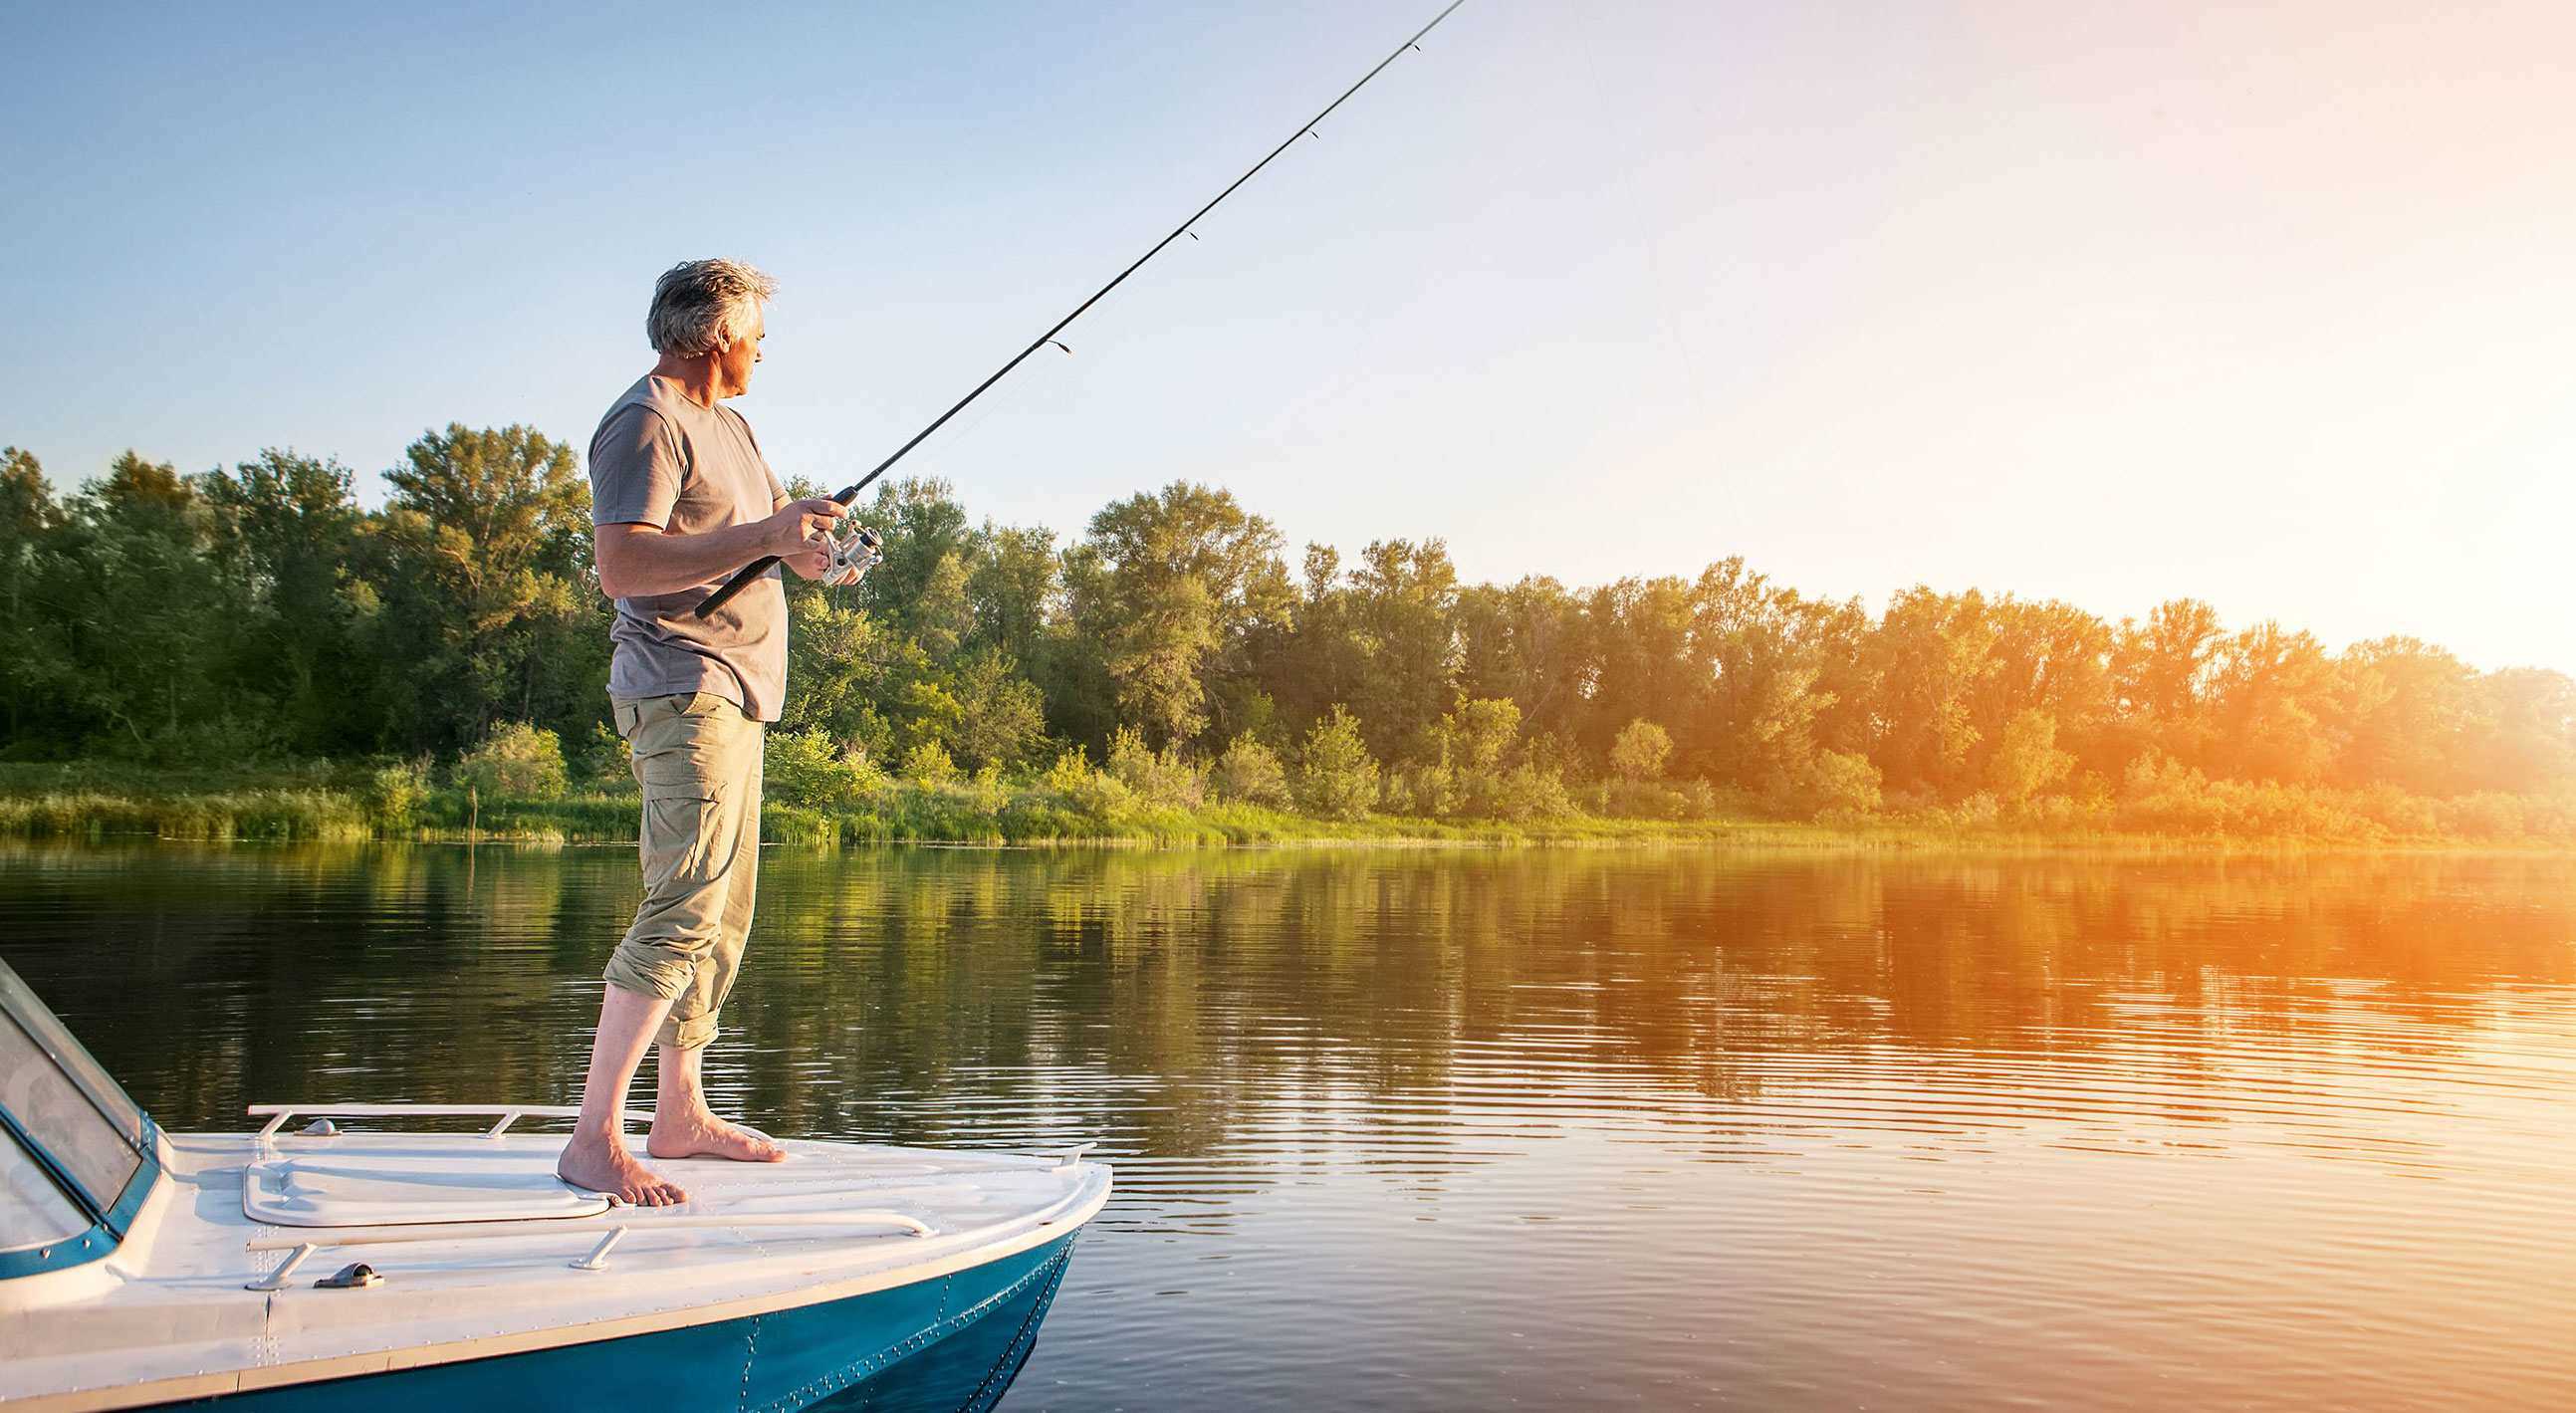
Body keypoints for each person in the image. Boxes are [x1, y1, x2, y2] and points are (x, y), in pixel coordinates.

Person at [555, 259, 844, 1206]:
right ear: (716, 333)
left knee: (722, 916)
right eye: (757, 329)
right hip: (684, 684)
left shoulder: (731, 425)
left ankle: (678, 1112)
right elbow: (621, 561)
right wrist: (766, 535)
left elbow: (759, 539)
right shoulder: (645, 420)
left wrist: (809, 548)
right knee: (683, 906)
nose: (764, 345)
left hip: (739, 694)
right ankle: (593, 1136)